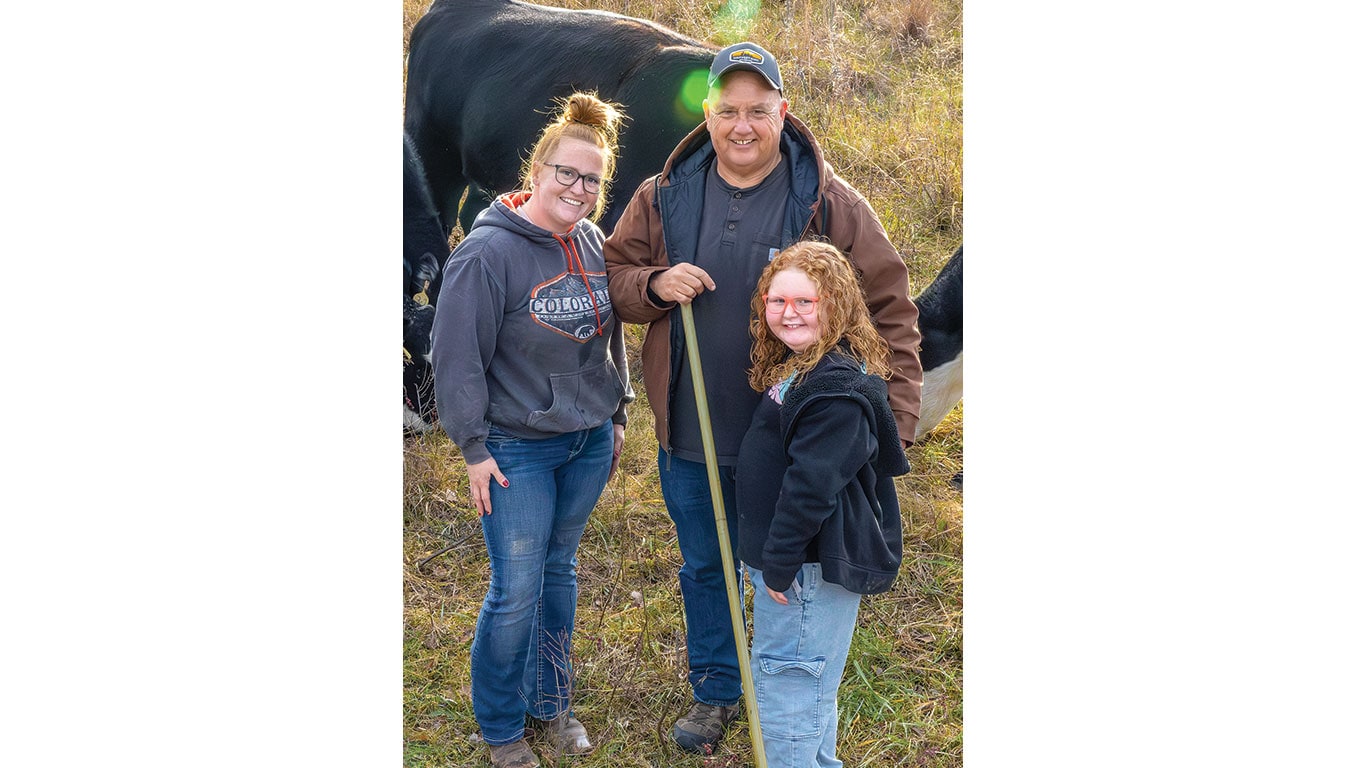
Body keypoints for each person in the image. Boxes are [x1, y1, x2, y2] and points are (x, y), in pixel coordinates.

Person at [604, 41, 923, 754]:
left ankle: (789, 687)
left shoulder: (828, 202)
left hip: (793, 445)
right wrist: (653, 286)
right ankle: (719, 688)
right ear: (708, 116)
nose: (741, 125)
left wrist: (892, 428)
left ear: (784, 111)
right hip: (691, 431)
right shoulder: (663, 194)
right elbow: (618, 275)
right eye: (727, 111)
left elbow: (892, 308)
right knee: (706, 565)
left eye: (757, 109)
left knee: (786, 573)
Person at [431, 92, 633, 768]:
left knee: (559, 573)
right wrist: (473, 449)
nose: (579, 189)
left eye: (593, 180)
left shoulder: (592, 241)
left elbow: (612, 334)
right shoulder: (488, 255)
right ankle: (499, 727)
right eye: (567, 174)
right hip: (516, 449)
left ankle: (550, 703)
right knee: (516, 588)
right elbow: (455, 358)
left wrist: (619, 411)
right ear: (538, 169)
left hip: (586, 443)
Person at [737, 241, 909, 767]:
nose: (789, 313)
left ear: (835, 304)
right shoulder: (802, 371)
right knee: (806, 689)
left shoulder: (834, 392)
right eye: (777, 300)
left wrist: (779, 567)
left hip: (801, 572)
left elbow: (810, 487)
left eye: (805, 302)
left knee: (789, 687)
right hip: (792, 569)